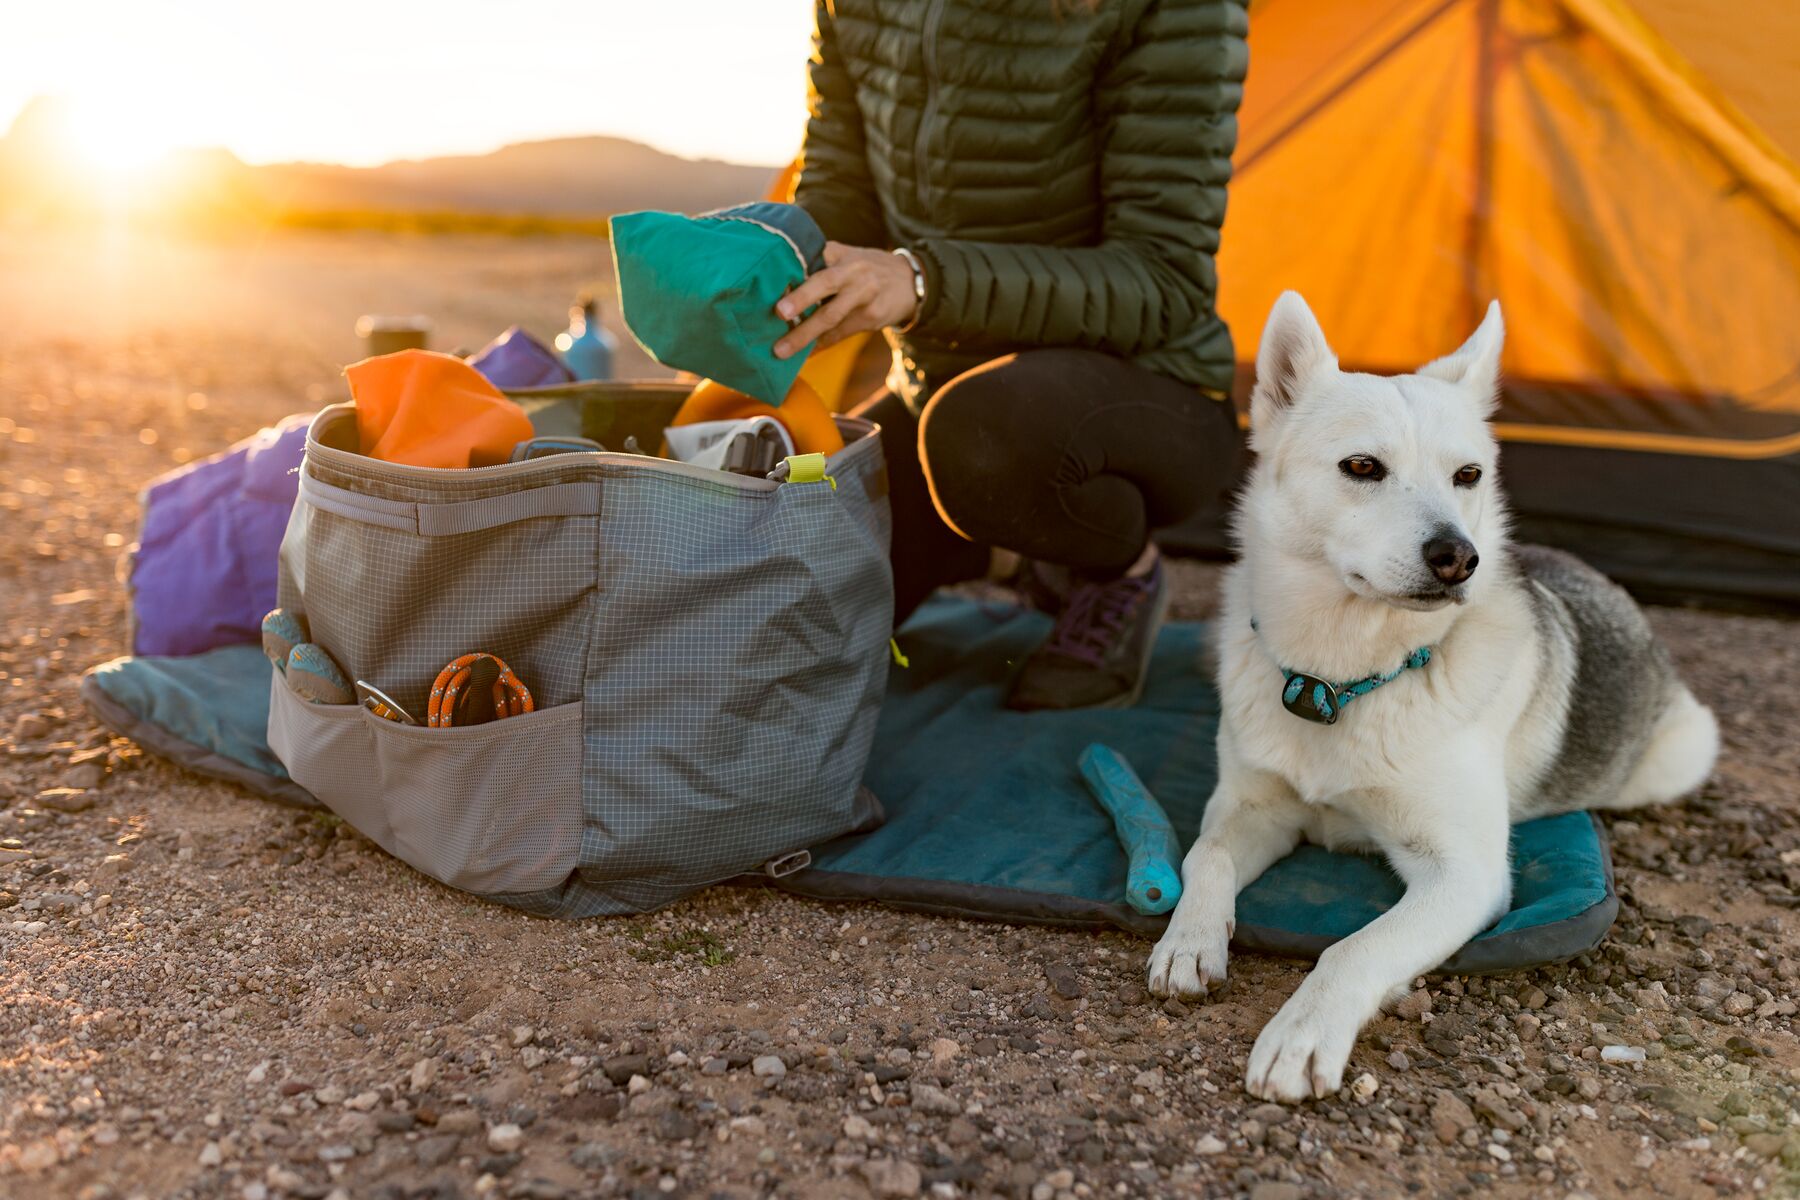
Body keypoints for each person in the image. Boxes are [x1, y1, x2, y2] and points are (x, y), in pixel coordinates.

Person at [778, 0, 1249, 711]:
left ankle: (1120, 571)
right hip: (935, 391)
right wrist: (762, 262)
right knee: (785, 618)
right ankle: (1008, 549)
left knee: (983, 435)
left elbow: (1163, 278)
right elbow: (840, 190)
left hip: (1142, 394)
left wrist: (924, 281)